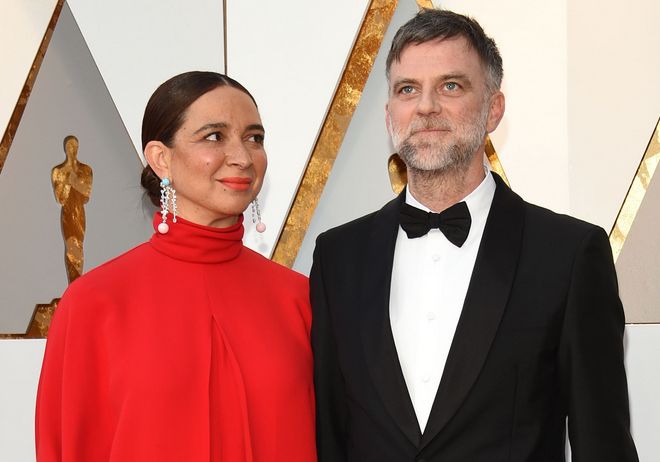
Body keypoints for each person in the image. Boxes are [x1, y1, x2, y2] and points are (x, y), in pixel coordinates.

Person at [310, 9, 638, 462]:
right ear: (389, 116)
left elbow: (604, 445)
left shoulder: (569, 255)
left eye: (450, 86)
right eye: (408, 89)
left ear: (493, 109)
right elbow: (330, 436)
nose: (426, 106)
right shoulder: (338, 257)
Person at [36, 71, 316, 462]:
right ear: (161, 158)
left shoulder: (299, 299)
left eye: (254, 138)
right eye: (214, 136)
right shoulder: (94, 303)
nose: (242, 157)